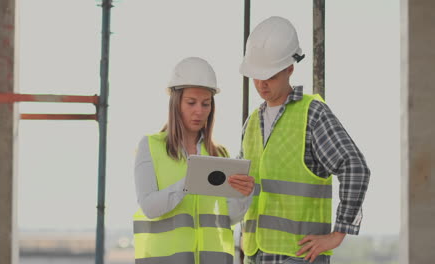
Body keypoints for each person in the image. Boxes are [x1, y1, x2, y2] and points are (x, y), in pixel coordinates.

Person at [238, 16, 371, 263]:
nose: (261, 84)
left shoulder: (313, 114)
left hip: (299, 256)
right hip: (256, 254)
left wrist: (338, 233)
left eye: (270, 75)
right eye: (256, 75)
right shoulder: (252, 123)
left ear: (290, 68)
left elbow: (355, 167)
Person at [133, 57, 255, 264]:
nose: (199, 110)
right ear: (175, 102)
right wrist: (189, 181)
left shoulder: (220, 154)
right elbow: (149, 207)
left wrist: (244, 196)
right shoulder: (151, 146)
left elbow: (229, 218)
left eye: (205, 104)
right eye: (191, 103)